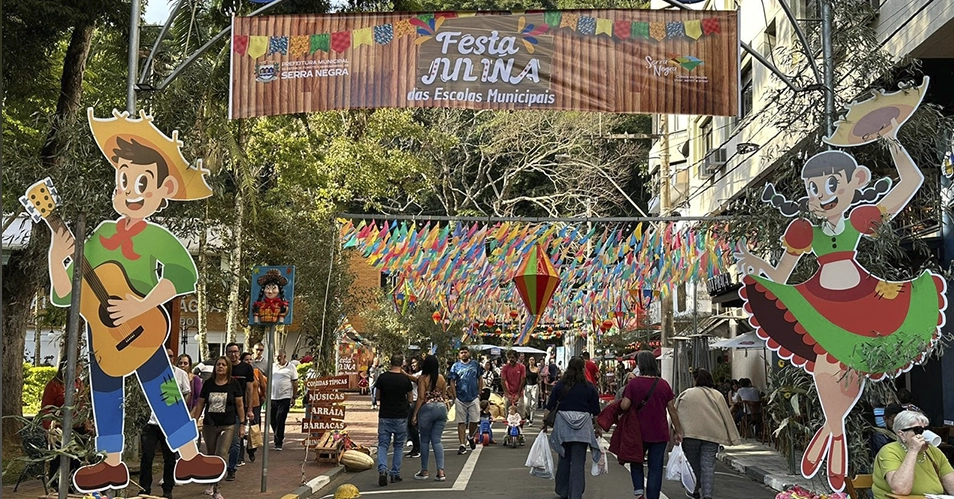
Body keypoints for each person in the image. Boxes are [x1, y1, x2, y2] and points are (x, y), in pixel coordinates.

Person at [735, 137, 946, 491]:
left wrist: (894, 140)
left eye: (832, 185)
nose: (822, 194)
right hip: (820, 304)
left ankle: (832, 433)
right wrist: (757, 264)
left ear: (856, 181)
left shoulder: (858, 222)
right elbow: (781, 278)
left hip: (864, 301)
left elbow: (910, 184)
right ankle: (836, 432)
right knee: (826, 367)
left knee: (846, 367)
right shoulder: (806, 234)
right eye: (813, 188)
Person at [39, 112, 225, 492]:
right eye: (124, 179)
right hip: (103, 335)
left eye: (142, 181)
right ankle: (110, 463)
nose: (131, 189)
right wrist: (58, 257)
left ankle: (189, 456)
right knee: (106, 396)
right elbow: (65, 293)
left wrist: (139, 306)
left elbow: (181, 274)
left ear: (164, 189)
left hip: (141, 328)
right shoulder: (100, 233)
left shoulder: (157, 237)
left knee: (166, 390)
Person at [621, 350, 683, 499]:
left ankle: (639, 493)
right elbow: (672, 410)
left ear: (640, 365)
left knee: (636, 462)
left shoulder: (633, 384)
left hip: (638, 432)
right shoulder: (663, 384)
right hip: (659, 432)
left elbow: (624, 405)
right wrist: (678, 431)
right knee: (655, 469)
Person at [674, 368, 741, 499]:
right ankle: (708, 495)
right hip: (712, 435)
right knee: (708, 466)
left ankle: (694, 490)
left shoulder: (686, 394)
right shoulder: (717, 395)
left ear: (695, 380)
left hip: (690, 435)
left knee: (693, 465)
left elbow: (675, 413)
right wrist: (734, 438)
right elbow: (726, 415)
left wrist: (675, 431)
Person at [543, 356, 602, 499]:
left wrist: (544, 424)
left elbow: (549, 407)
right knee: (578, 462)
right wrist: (598, 428)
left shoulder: (560, 385)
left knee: (564, 458)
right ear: (583, 369)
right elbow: (595, 412)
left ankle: (563, 491)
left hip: (563, 428)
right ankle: (576, 494)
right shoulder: (589, 387)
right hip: (582, 429)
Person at [138, 349, 193, 498]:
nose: (167, 358)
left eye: (170, 356)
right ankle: (144, 489)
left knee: (169, 458)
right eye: (164, 356)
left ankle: (167, 489)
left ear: (173, 358)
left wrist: (178, 411)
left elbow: (187, 393)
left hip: (170, 423)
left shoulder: (180, 374)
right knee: (147, 456)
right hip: (152, 423)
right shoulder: (152, 373)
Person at [191, 356, 246, 499]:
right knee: (210, 455)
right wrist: (195, 421)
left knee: (221, 454)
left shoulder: (234, 384)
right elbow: (201, 403)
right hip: (210, 424)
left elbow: (240, 405)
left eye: (223, 365)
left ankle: (217, 488)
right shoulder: (208, 383)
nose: (220, 367)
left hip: (227, 424)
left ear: (228, 367)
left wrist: (242, 424)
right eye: (218, 365)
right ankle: (211, 482)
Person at [872, 410, 954, 498]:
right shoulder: (889, 451)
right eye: (918, 430)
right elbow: (900, 489)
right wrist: (913, 451)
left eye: (927, 429)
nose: (923, 434)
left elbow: (952, 488)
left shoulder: (934, 452)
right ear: (902, 434)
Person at [40, 360, 88, 489]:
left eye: (81, 368)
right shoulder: (54, 385)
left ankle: (75, 484)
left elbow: (84, 405)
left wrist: (87, 422)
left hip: (78, 427)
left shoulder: (79, 383)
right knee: (58, 460)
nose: (80, 371)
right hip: (59, 429)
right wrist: (49, 429)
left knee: (77, 458)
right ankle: (56, 486)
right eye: (78, 367)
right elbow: (46, 409)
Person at [374, 354, 414, 486]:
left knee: (383, 445)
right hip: (401, 416)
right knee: (398, 446)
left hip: (385, 415)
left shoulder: (382, 378)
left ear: (390, 363)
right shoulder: (404, 379)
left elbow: (378, 396)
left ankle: (382, 470)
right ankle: (395, 473)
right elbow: (410, 398)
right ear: (401, 364)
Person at [411, 354, 449, 482]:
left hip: (427, 409)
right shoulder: (441, 378)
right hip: (441, 408)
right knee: (437, 441)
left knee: (425, 441)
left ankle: (424, 470)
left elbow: (421, 397)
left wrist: (415, 414)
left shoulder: (423, 379)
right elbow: (443, 395)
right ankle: (441, 471)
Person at [225, 343, 255, 481]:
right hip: (222, 409)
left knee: (236, 441)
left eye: (236, 351)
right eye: (230, 352)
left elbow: (250, 389)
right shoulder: (223, 366)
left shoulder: (246, 368)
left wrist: (249, 409)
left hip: (239, 409)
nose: (233, 354)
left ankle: (232, 468)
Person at [449, 347, 484, 455]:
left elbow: (480, 378)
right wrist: (455, 396)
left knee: (474, 421)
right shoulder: (455, 366)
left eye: (465, 352)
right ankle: (462, 445)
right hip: (460, 398)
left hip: (473, 397)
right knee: (461, 422)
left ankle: (470, 437)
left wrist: (479, 392)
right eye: (461, 353)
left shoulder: (475, 364)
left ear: (469, 353)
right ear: (459, 355)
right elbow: (452, 381)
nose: (464, 354)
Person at [239, 352, 266, 464]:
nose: (249, 362)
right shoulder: (238, 372)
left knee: (254, 429)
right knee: (240, 430)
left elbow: (264, 386)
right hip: (240, 405)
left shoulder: (256, 372)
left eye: (250, 360)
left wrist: (263, 396)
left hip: (254, 404)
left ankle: (251, 450)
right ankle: (240, 455)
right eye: (246, 360)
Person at [270, 350, 299, 451]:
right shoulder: (272, 367)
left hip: (285, 397)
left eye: (280, 357)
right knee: (272, 420)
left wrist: (294, 396)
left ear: (285, 356)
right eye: (276, 357)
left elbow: (295, 383)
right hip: (272, 397)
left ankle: (278, 442)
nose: (278, 359)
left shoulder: (291, 367)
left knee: (280, 418)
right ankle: (277, 433)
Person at [501, 351, 526, 425]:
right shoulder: (505, 367)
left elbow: (523, 380)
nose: (511, 359)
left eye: (513, 357)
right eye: (509, 358)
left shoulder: (521, 367)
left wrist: (518, 394)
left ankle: (520, 433)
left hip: (519, 392)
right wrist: (507, 394)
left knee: (520, 416)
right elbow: (502, 380)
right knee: (508, 417)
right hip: (508, 393)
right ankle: (508, 433)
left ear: (516, 358)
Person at [405, 356, 422, 458]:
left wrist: (403, 373)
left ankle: (417, 448)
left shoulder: (421, 374)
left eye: (415, 363)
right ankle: (415, 447)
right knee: (410, 425)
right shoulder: (413, 373)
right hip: (411, 401)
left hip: (416, 401)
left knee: (413, 424)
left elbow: (415, 380)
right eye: (411, 363)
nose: (413, 365)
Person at [524, 356, 540, 424]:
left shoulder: (537, 369)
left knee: (533, 404)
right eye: (530, 359)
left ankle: (531, 419)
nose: (531, 361)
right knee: (526, 404)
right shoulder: (526, 369)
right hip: (527, 386)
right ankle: (528, 415)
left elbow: (539, 379)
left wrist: (541, 390)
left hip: (534, 386)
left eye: (533, 360)